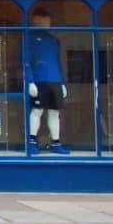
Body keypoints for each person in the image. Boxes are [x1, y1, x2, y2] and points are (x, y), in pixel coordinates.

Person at [26, 10, 69, 155]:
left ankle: (56, 143)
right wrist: (30, 81)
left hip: (54, 81)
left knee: (54, 113)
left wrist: (62, 82)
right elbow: (26, 62)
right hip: (39, 80)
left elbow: (58, 62)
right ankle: (31, 142)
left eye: (48, 19)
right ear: (35, 20)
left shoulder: (54, 41)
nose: (46, 22)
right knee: (37, 111)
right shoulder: (29, 39)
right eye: (43, 19)